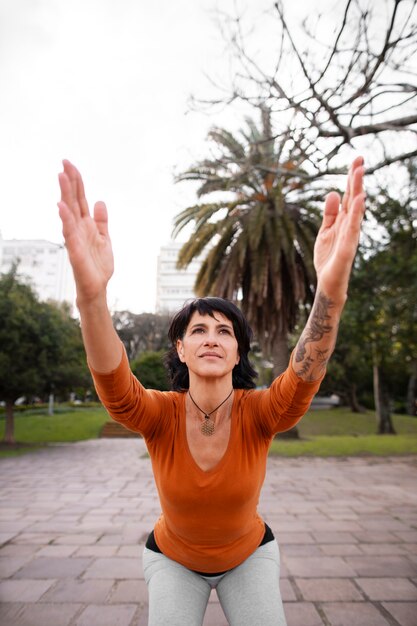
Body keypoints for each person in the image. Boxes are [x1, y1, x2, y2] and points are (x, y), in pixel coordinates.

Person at [57, 156, 365, 626]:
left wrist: (331, 291)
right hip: (172, 560)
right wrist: (91, 297)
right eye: (198, 330)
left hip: (249, 557)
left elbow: (304, 375)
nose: (212, 338)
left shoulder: (260, 412)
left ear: (239, 352)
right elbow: (115, 385)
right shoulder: (158, 414)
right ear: (181, 349)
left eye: (225, 331)